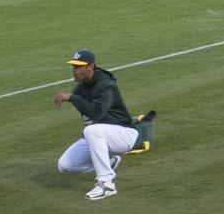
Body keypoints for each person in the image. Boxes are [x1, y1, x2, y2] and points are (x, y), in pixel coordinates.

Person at [53, 50, 154, 201]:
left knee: (92, 130)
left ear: (91, 67)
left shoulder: (106, 85)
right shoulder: (80, 89)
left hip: (124, 134)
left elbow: (97, 113)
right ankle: (109, 161)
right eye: (74, 66)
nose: (75, 70)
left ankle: (106, 184)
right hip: (102, 134)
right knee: (65, 165)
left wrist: (72, 98)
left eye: (79, 66)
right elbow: (89, 118)